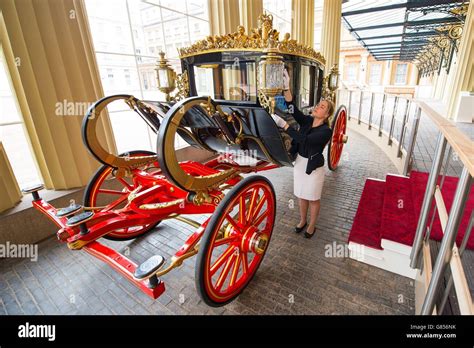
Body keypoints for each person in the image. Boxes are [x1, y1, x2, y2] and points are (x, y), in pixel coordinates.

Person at [271, 69, 334, 238]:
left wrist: (284, 126)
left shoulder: (326, 131)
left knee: (313, 197)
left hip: (313, 168)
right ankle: (302, 220)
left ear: (326, 115)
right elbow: (293, 110)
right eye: (318, 104)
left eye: (322, 107)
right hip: (300, 162)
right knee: (301, 194)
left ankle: (312, 224)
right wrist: (287, 87)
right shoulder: (308, 120)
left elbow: (305, 140)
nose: (317, 107)